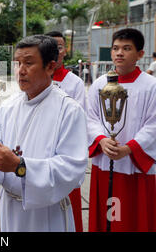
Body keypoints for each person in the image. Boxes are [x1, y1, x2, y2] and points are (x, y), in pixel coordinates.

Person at [0, 35, 88, 232]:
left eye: (28, 63)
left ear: (50, 66)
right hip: (9, 208)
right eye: (17, 63)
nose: (20, 71)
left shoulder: (68, 110)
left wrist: (19, 166)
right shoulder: (7, 106)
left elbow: (71, 169)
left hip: (45, 214)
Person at [87, 28, 156, 232]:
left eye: (126, 48)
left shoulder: (151, 86)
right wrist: (102, 140)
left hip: (134, 164)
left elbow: (154, 125)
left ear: (140, 54)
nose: (119, 53)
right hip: (106, 161)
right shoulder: (99, 84)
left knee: (132, 218)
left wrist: (129, 148)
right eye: (115, 48)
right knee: (107, 215)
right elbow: (90, 118)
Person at [46, 31, 87, 232]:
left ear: (65, 51)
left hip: (63, 153)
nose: (56, 50)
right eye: (51, 46)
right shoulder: (34, 79)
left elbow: (79, 122)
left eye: (60, 46)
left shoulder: (75, 83)